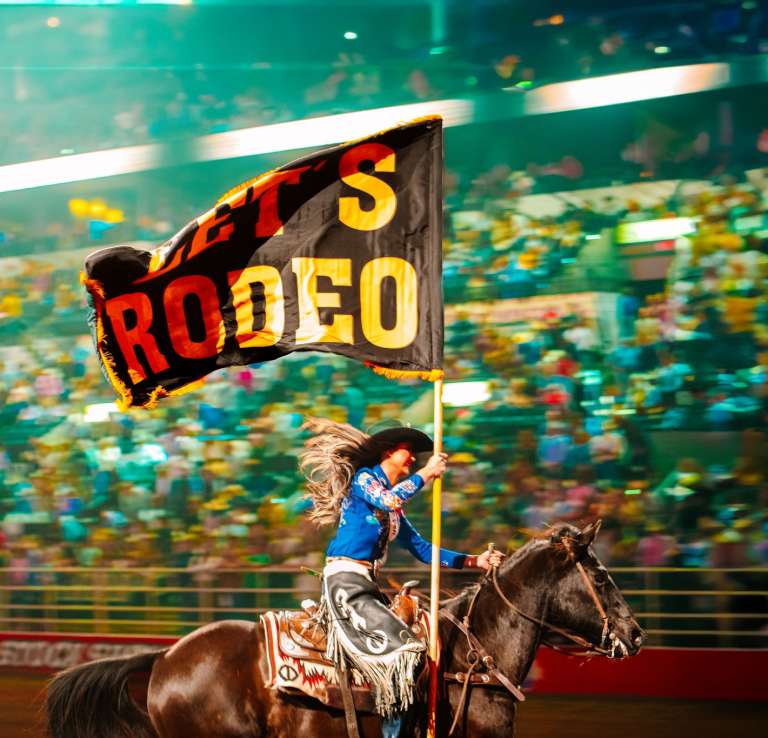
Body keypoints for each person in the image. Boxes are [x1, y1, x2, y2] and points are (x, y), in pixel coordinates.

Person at [299, 418, 503, 737]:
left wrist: (477, 560)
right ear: (388, 453)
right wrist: (427, 474)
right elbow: (391, 499)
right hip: (345, 583)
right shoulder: (364, 481)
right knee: (404, 651)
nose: (412, 458)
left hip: (366, 585)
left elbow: (423, 549)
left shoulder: (394, 512)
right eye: (407, 451)